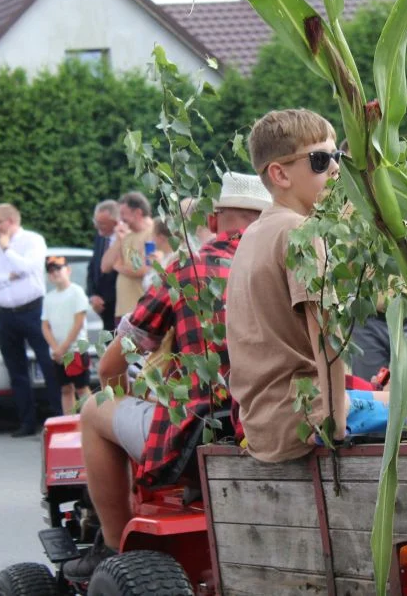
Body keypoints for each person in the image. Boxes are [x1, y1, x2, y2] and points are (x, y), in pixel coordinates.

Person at [62, 172, 271, 581]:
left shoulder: (188, 269)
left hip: (202, 431)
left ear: (212, 223)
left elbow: (109, 366)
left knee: (92, 410)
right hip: (273, 421)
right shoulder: (288, 261)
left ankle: (110, 544)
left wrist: (122, 394)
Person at [226, 109, 407, 464]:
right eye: (320, 160)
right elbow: (328, 336)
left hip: (269, 417)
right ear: (279, 174)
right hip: (304, 416)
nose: (336, 169)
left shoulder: (256, 232)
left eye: (335, 157)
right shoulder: (300, 233)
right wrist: (336, 423)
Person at [0, 204, 61, 436]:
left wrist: (8, 251)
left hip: (33, 310)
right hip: (5, 314)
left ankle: (58, 418)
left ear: (12, 221)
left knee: (47, 364)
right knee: (16, 369)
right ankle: (27, 422)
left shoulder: (33, 241)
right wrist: (7, 277)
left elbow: (28, 267)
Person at [41, 255, 93, 415]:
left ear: (68, 270)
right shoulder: (48, 298)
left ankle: (92, 419)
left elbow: (78, 322)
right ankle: (68, 422)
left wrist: (64, 347)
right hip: (58, 353)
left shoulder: (76, 292)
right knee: (65, 389)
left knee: (82, 388)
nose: (55, 273)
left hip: (75, 349)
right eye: (50, 270)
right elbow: (45, 325)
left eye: (58, 268)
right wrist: (55, 348)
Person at [102, 192, 153, 319]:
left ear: (138, 213)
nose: (121, 219)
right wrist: (119, 241)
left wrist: (119, 266)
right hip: (122, 312)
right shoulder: (126, 236)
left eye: (123, 214)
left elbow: (144, 269)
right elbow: (105, 267)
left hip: (141, 310)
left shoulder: (152, 234)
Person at [87, 200, 119, 333]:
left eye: (101, 223)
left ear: (115, 221)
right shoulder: (100, 238)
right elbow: (93, 268)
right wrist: (93, 295)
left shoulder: (125, 239)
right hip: (102, 310)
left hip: (119, 307)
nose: (97, 227)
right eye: (96, 222)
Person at [142, 216, 176, 292]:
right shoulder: (163, 257)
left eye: (152, 234)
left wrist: (158, 268)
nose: (150, 238)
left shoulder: (175, 259)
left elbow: (167, 288)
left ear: (161, 237)